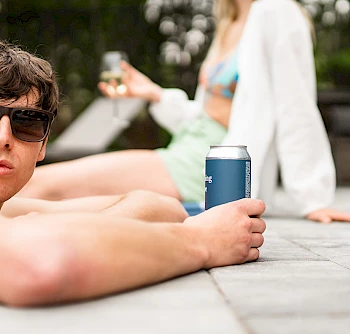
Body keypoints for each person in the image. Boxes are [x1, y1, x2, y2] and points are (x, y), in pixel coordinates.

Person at [20, 0, 350, 224]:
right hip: (190, 151)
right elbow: (206, 115)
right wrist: (154, 94)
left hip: (213, 164)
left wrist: (313, 197)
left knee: (43, 185)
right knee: (45, 196)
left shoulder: (276, 11)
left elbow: (295, 104)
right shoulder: (230, 25)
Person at [0, 40, 266, 307]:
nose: (4, 138)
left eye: (27, 122)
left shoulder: (11, 210)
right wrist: (203, 241)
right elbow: (38, 266)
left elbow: (164, 209)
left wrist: (72, 232)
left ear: (44, 143)